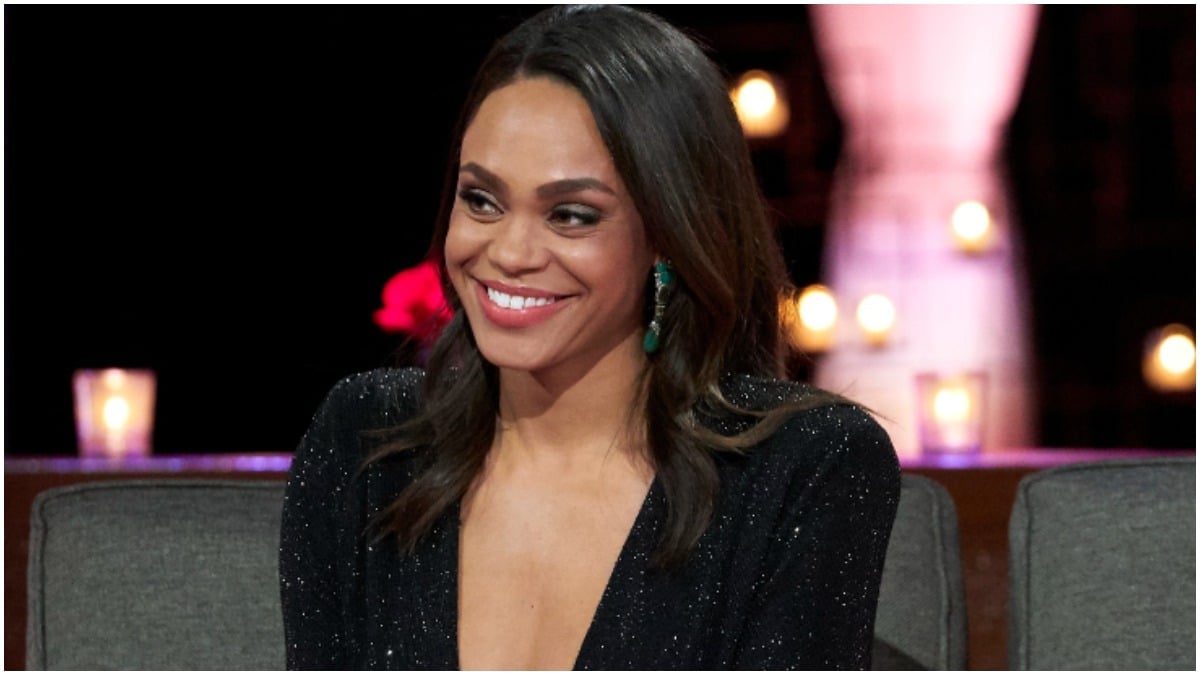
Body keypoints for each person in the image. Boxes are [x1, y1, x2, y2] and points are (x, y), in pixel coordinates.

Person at [279, 4, 900, 670]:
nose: (509, 252)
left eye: (570, 215)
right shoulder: (368, 444)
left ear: (668, 234)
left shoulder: (803, 468)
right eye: (481, 200)